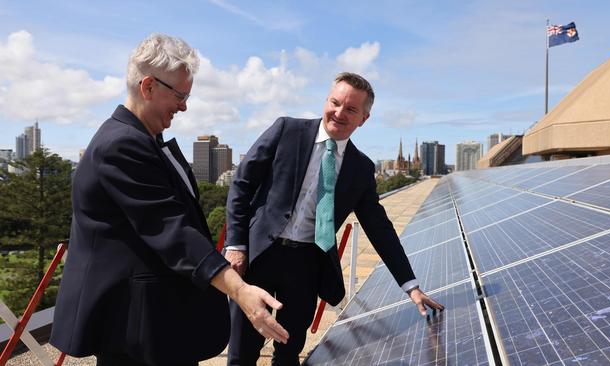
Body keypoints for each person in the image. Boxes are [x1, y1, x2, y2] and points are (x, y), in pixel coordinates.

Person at [50, 33, 288, 366]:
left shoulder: (145, 138)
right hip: (134, 328)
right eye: (180, 94)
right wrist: (240, 290)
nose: (184, 105)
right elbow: (171, 230)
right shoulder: (121, 145)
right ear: (148, 86)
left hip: (158, 324)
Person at [225, 72, 444, 366]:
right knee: (242, 350)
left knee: (289, 351)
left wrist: (411, 286)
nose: (339, 113)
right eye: (335, 102)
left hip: (306, 266)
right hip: (259, 255)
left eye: (351, 109)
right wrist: (236, 244)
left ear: (363, 119)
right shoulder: (286, 130)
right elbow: (241, 184)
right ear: (326, 100)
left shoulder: (361, 168)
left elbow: (380, 229)